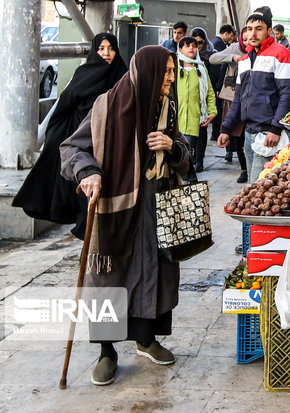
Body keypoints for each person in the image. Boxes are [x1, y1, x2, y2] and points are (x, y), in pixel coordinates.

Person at [60, 46, 190, 386]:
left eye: (173, 72)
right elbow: (71, 148)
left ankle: (146, 340)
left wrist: (172, 147)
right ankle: (107, 351)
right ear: (146, 73)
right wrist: (87, 172)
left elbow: (185, 153)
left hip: (156, 208)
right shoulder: (106, 108)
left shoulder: (165, 108)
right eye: (166, 72)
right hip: (115, 209)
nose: (171, 79)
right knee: (110, 277)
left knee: (154, 272)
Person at [12, 33, 127, 240]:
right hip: (82, 142)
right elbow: (65, 104)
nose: (106, 53)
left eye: (111, 48)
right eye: (101, 48)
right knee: (85, 192)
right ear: (95, 50)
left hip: (110, 143)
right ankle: (89, 236)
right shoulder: (83, 73)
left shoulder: (122, 76)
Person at [217, 6, 290, 183]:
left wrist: (276, 128)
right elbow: (238, 99)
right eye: (249, 29)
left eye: (259, 29)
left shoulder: (283, 55)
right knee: (255, 189)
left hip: (272, 133)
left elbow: (288, 96)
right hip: (250, 133)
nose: (252, 34)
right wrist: (226, 128)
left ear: (269, 30)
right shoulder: (245, 60)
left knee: (261, 188)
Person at [210, 27, 250, 183]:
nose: (247, 42)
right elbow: (213, 58)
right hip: (234, 98)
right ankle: (244, 169)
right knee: (236, 135)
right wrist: (232, 57)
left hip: (252, 100)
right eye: (244, 39)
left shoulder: (260, 53)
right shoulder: (234, 48)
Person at [176, 36, 217, 169]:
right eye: (187, 46)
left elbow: (209, 92)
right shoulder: (174, 67)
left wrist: (212, 112)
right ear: (180, 49)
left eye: (194, 46)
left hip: (195, 118)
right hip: (176, 118)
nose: (191, 48)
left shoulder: (201, 68)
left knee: (187, 151)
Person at [191, 27, 217, 171]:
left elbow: (212, 83)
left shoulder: (210, 56)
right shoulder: (185, 58)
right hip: (189, 101)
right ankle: (192, 158)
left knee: (201, 131)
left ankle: (199, 160)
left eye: (199, 43)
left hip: (204, 100)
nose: (196, 47)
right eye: (193, 43)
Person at [209, 25, 236, 144]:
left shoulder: (218, 43)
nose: (231, 38)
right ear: (227, 33)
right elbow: (219, 67)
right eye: (231, 35)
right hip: (223, 87)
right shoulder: (219, 44)